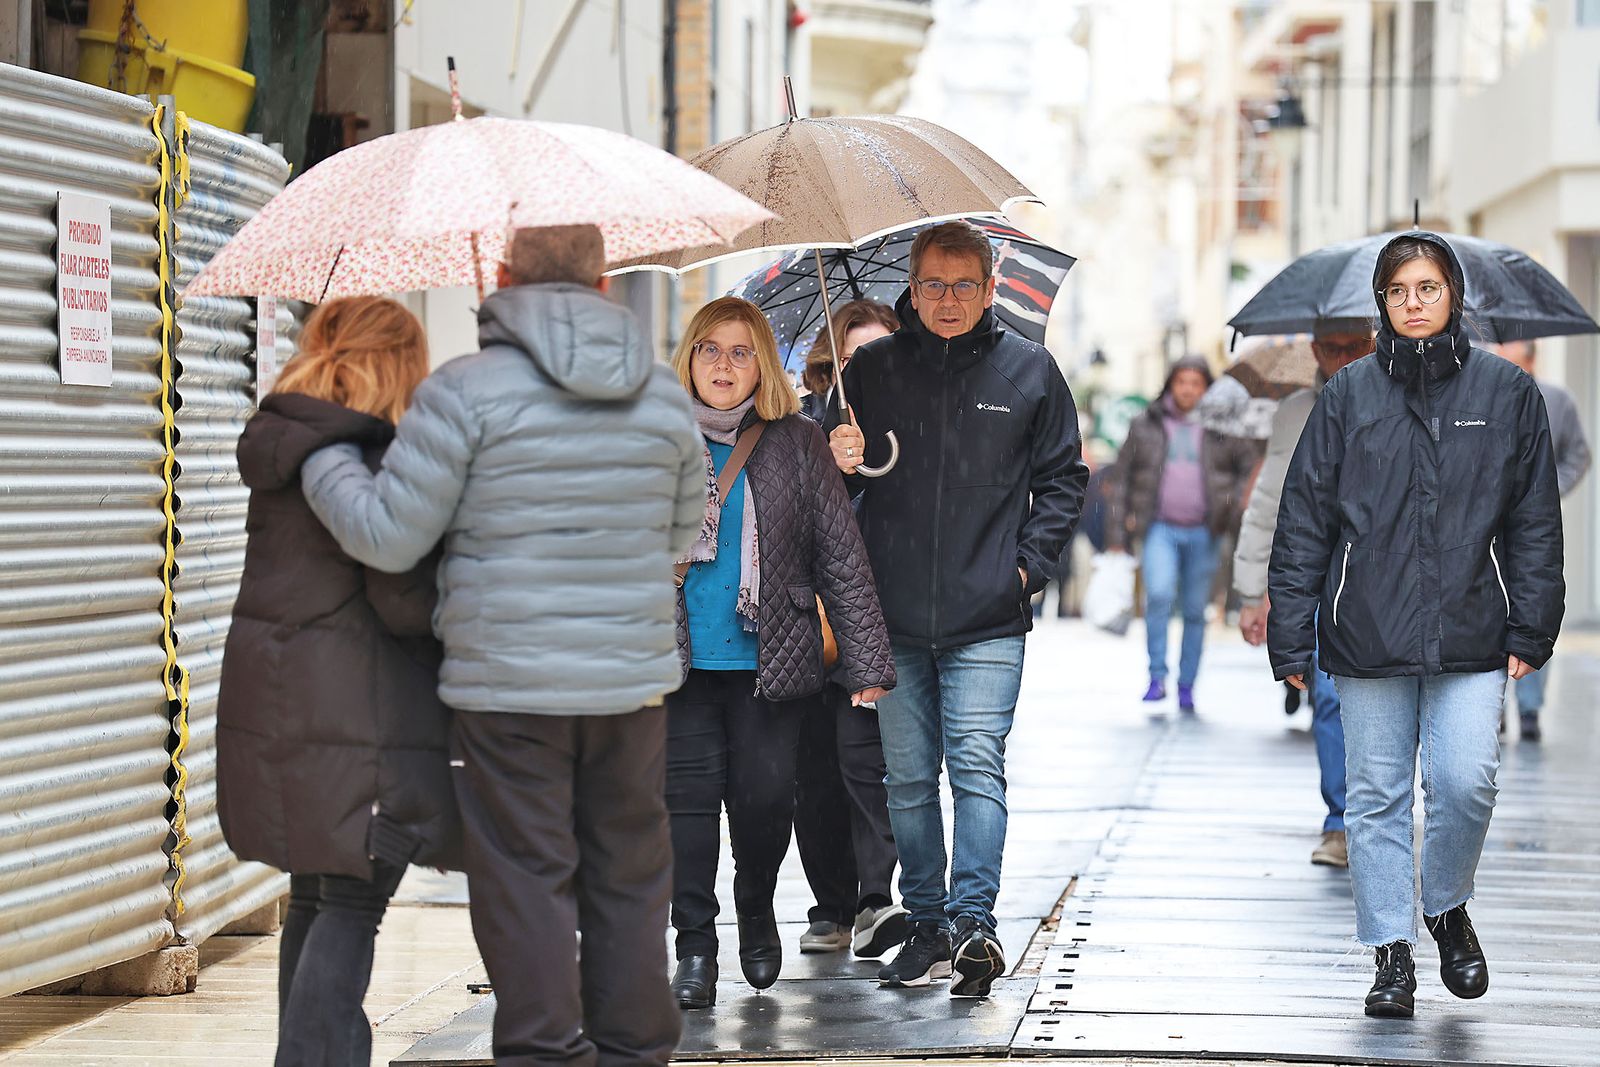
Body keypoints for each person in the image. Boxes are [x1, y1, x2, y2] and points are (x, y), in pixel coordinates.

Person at [299, 226, 703, 1066]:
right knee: (629, 877)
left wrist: (324, 458)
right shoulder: (665, 397)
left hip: (507, 687)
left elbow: (388, 535)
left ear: (505, 278)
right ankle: (635, 1051)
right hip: (630, 687)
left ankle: (545, 1052)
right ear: (601, 286)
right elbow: (678, 530)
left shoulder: (463, 392)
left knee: (527, 877)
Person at [1269, 231, 1563, 1019]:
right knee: (1376, 796)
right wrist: (1291, 633)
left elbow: (1535, 518)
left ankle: (1446, 905)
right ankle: (1390, 951)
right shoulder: (1348, 396)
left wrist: (1534, 625)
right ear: (1382, 302)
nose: (1414, 303)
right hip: (1367, 629)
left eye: (1428, 288)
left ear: (1454, 295)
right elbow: (1304, 520)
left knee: (1468, 783)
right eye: (1400, 291)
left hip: (1472, 627)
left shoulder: (1506, 394)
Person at [828, 220, 1089, 998]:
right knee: (907, 778)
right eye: (933, 285)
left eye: (962, 286)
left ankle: (976, 922)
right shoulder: (869, 372)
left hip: (987, 616)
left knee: (977, 766)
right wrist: (832, 453)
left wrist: (1025, 569)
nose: (947, 300)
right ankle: (929, 921)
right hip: (891, 614)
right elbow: (828, 491)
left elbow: (1064, 480)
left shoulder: (1030, 372)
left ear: (989, 290)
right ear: (912, 287)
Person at [216, 297, 461, 1067]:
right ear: (395, 363)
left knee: (321, 894)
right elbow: (400, 595)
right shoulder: (360, 458)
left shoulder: (289, 445)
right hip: (360, 713)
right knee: (353, 896)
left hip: (288, 705)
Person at [666, 296, 896, 1008]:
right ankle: (696, 945)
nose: (724, 365)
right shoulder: (655, 437)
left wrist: (865, 663)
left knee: (766, 805)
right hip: (676, 660)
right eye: (710, 349)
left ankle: (757, 902)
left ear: (760, 362)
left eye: (740, 352)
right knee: (690, 809)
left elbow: (841, 557)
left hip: (775, 659)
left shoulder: (797, 440)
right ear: (690, 359)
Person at [792, 298, 907, 961]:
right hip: (813, 625)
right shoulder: (802, 429)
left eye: (878, 355)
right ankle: (831, 904)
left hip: (877, 623)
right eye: (852, 355)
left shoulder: (903, 431)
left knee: (867, 761)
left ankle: (874, 897)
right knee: (814, 773)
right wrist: (830, 465)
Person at [1234, 328, 1373, 868]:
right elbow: (1270, 497)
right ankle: (1340, 821)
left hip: (1387, 575)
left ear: (1371, 340)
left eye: (1352, 346)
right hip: (1318, 575)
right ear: (1313, 350)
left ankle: (1380, 810)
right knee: (1331, 694)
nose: (1341, 359)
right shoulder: (1295, 410)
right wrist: (1252, 590)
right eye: (1330, 347)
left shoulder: (1402, 392)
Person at [1106, 357, 1259, 713]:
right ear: (1170, 385)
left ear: (1207, 388)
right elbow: (1121, 478)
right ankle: (1156, 677)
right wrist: (1117, 532)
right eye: (1182, 382)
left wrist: (1233, 503)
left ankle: (1187, 683)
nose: (1189, 389)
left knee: (1194, 609)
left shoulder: (1224, 425)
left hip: (1207, 531)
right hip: (1159, 527)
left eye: (1196, 383)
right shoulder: (1146, 423)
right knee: (1157, 596)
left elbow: (1249, 466)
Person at [1490, 339, 1591, 742]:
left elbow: (1578, 454)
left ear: (1531, 357)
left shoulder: (1557, 400)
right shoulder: (1485, 395)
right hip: (1491, 526)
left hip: (1535, 524)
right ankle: (1493, 709)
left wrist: (1550, 490)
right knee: (1493, 613)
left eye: (1511, 351)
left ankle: (1529, 710)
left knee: (1535, 611)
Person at [800, 298, 898, 423]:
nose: (870, 372)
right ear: (829, 362)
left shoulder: (911, 413)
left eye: (881, 359)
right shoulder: (798, 425)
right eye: (853, 360)